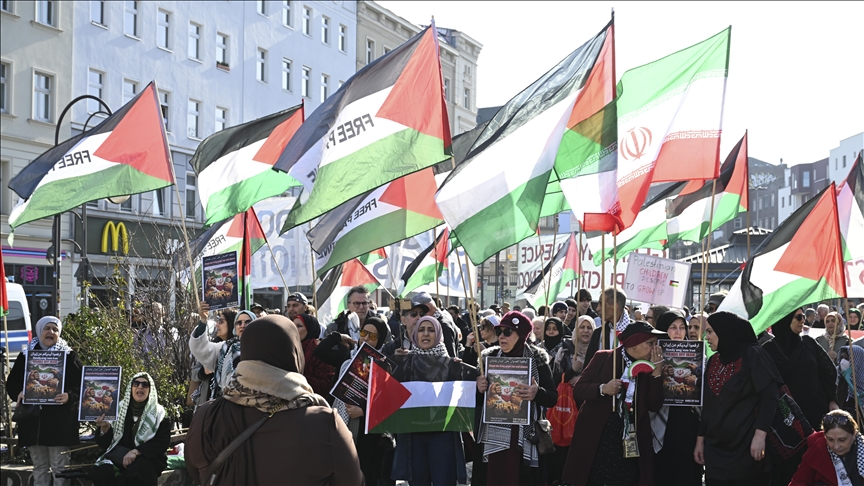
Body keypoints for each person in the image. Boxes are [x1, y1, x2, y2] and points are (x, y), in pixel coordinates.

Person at [186, 315, 362, 485]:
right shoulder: (325, 424)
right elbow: (353, 481)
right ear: (294, 352)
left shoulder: (206, 415)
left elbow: (196, 472)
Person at [561, 321, 665, 485]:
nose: (655, 349)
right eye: (650, 343)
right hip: (600, 435)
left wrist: (657, 374)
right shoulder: (604, 357)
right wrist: (603, 388)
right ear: (634, 343)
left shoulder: (650, 367)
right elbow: (579, 389)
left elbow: (654, 405)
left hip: (632, 436)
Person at [695, 311, 782, 485]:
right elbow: (709, 404)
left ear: (725, 331)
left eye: (710, 332)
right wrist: (700, 439)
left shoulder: (753, 355)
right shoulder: (714, 361)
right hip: (715, 452)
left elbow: (770, 397)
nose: (706, 337)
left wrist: (760, 436)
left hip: (747, 448)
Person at [475, 311, 557, 486]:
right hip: (494, 440)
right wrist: (479, 387)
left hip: (525, 439)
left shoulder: (538, 359)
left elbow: (552, 397)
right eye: (499, 332)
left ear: (521, 335)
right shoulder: (489, 359)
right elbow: (476, 401)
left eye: (507, 332)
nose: (501, 337)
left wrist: (537, 392)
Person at [6, 316, 83, 486]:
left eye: (55, 329)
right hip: (33, 423)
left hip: (59, 423)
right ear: (39, 330)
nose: (51, 332)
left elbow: (81, 384)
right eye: (47, 328)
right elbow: (11, 383)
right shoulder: (26, 355)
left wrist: (69, 396)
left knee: (59, 467)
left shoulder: (68, 355)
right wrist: (19, 393)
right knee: (39, 466)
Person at [391, 316, 468, 485]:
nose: (426, 334)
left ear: (439, 334)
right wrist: (396, 365)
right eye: (421, 329)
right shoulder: (406, 363)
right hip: (414, 437)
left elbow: (461, 399)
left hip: (442, 436)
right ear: (415, 335)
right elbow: (393, 395)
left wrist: (459, 374)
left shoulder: (451, 364)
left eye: (431, 330)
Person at [333, 315, 394, 486]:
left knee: (367, 476)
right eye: (363, 333)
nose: (366, 338)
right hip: (346, 426)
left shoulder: (383, 365)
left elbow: (387, 404)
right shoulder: (347, 360)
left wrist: (363, 411)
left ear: (380, 340)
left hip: (369, 435)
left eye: (372, 336)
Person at [762, 308, 839, 430]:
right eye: (798, 317)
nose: (803, 320)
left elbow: (827, 372)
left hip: (817, 411)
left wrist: (832, 400)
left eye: (803, 316)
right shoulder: (768, 350)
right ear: (785, 319)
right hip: (787, 417)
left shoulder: (808, 343)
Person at [652, 311, 703, 485]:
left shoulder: (697, 354)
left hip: (688, 422)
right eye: (673, 327)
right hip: (663, 420)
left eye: (682, 327)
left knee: (687, 471)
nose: (678, 332)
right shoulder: (653, 354)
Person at [92, 373, 170, 486]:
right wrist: (104, 427)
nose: (140, 387)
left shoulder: (159, 413)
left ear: (150, 389)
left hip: (148, 457)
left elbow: (161, 443)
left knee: (138, 470)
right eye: (136, 384)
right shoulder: (118, 409)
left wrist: (136, 452)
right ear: (131, 388)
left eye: (145, 384)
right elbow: (105, 444)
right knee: (103, 471)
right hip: (119, 456)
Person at [548, 315, 593, 484]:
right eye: (582, 327)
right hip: (566, 406)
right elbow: (553, 380)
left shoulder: (599, 350)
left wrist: (582, 380)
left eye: (589, 327)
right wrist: (571, 372)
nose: (586, 331)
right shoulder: (565, 350)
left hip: (587, 406)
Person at [188, 305, 251, 399]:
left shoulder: (260, 348)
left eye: (248, 322)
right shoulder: (223, 348)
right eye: (238, 322)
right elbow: (200, 347)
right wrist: (203, 320)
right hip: (226, 402)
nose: (242, 325)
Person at [790, 410, 864, 486]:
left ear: (854, 433)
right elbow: (799, 481)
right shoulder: (817, 450)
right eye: (830, 439)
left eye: (842, 440)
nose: (836, 446)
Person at [584, 287, 630, 368]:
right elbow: (588, 368)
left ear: (615, 306)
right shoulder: (598, 333)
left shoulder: (635, 332)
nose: (597, 308)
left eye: (601, 304)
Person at [292, 314, 335, 396]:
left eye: (299, 326)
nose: (294, 329)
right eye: (292, 326)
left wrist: (296, 378)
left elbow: (325, 385)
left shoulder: (319, 351)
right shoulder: (289, 347)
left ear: (310, 329)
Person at [837, 346, 864, 418]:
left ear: (857, 361)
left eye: (847, 359)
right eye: (842, 358)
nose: (843, 361)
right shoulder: (839, 380)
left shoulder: (861, 382)